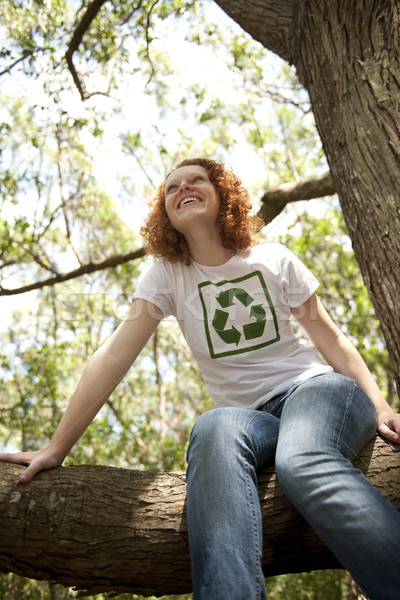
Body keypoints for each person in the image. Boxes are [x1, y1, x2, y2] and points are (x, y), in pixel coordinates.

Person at [1, 158, 400, 600]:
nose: (183, 188)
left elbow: (332, 339)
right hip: (250, 419)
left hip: (317, 392)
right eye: (172, 187)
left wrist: (379, 405)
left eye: (196, 180)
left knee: (300, 459)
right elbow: (113, 355)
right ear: (165, 214)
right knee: (211, 427)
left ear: (222, 193)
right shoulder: (168, 276)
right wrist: (57, 447)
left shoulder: (272, 259)